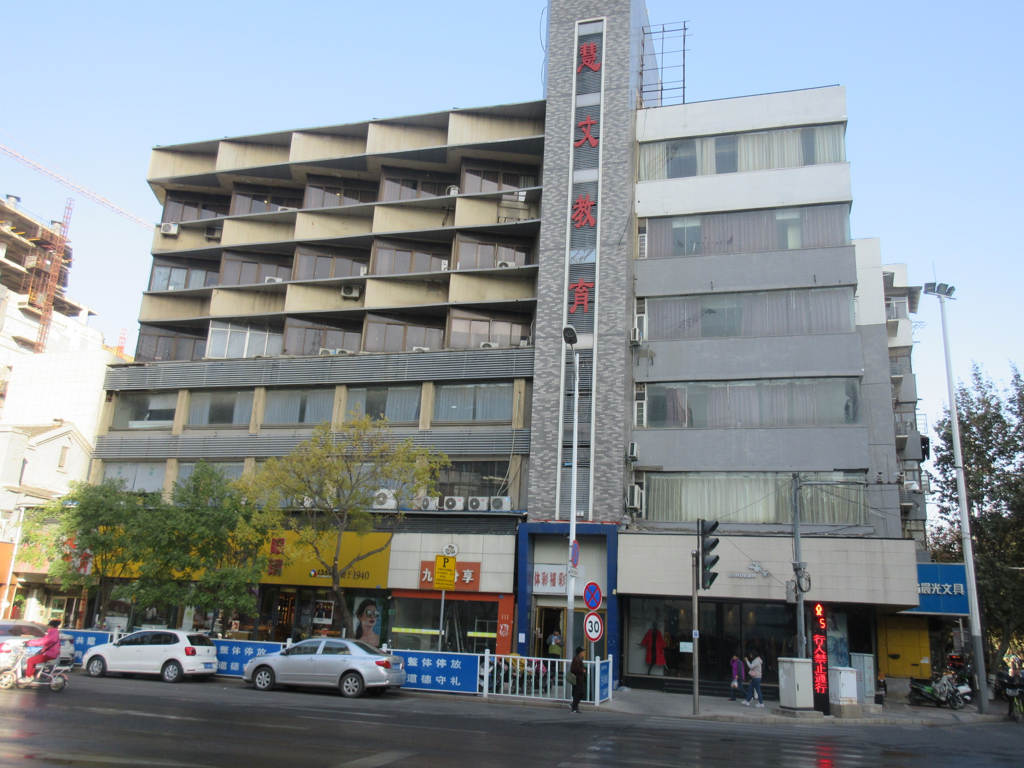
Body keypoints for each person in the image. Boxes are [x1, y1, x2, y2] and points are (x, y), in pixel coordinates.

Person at [570, 646, 587, 714]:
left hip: (580, 680)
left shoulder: (579, 659)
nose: (583, 653)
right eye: (582, 652)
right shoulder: (576, 659)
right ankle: (574, 708)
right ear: (580, 653)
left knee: (581, 693)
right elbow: (573, 669)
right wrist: (582, 670)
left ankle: (574, 704)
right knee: (577, 694)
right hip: (577, 680)